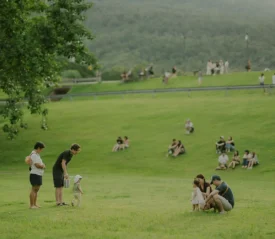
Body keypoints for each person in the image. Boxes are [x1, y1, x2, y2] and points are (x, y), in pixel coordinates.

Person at [29, 142, 46, 209]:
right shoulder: (34, 155)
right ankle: (31, 205)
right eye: (41, 149)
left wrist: (42, 165)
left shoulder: (37, 155)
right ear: (38, 148)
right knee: (34, 189)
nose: (41, 151)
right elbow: (37, 165)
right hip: (35, 174)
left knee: (37, 189)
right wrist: (43, 166)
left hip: (38, 174)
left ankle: (35, 204)